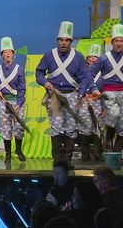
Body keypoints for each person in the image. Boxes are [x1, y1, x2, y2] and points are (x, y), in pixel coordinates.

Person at [35, 21, 91, 167]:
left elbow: (85, 76)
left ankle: (68, 159)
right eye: (61, 40)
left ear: (71, 42)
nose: (64, 43)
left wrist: (82, 92)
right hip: (54, 94)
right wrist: (44, 82)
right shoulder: (49, 55)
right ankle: (57, 159)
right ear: (57, 41)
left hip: (72, 94)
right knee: (56, 126)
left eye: (67, 40)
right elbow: (39, 72)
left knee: (71, 127)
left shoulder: (78, 57)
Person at [91, 24, 123, 152]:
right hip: (109, 91)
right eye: (116, 40)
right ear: (112, 42)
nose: (119, 43)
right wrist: (93, 88)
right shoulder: (104, 58)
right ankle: (108, 140)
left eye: (121, 40)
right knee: (113, 114)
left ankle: (116, 155)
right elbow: (90, 74)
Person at [0, 37, 26, 164]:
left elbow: (22, 89)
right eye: (5, 52)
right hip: (3, 101)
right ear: (1, 55)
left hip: (17, 101)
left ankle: (18, 150)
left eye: (9, 52)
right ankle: (8, 154)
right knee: (5, 128)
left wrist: (19, 104)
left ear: (13, 54)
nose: (7, 54)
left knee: (19, 128)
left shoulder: (19, 69)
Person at [77, 44, 105, 161]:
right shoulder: (82, 72)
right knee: (85, 127)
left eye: (96, 57)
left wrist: (105, 106)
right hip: (85, 101)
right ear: (87, 59)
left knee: (99, 127)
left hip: (99, 102)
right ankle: (85, 152)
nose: (93, 59)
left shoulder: (104, 73)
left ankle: (97, 152)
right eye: (91, 57)